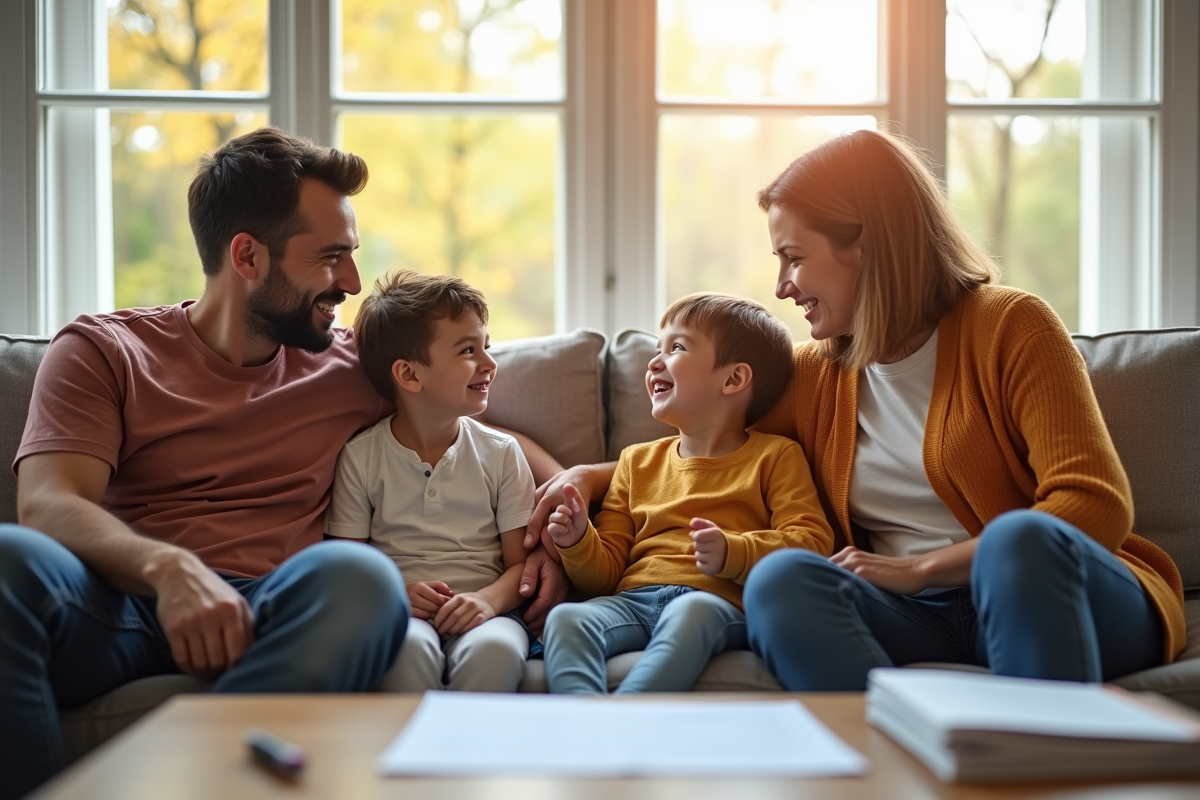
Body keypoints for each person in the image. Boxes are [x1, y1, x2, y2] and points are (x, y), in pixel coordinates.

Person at [0, 127, 562, 799]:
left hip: (281, 608)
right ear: (247, 257)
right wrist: (169, 568)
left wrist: (561, 508)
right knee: (7, 559)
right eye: (331, 258)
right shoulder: (103, 350)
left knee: (359, 576)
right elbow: (50, 502)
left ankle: (208, 781)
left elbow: (481, 435)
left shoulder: (352, 362)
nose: (352, 282)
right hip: (121, 603)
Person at [528, 129, 1186, 692]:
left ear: (866, 245)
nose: (783, 287)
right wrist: (590, 474)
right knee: (783, 579)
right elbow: (710, 445)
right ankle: (887, 762)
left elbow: (1093, 505)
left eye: (794, 258)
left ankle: (1030, 760)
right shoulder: (817, 375)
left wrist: (919, 569)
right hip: (917, 615)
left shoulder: (1011, 326)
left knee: (1020, 539)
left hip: (1060, 598)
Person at [541, 293, 834, 693]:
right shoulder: (634, 462)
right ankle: (585, 724)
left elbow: (812, 543)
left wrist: (734, 552)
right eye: (657, 348)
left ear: (733, 379)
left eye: (676, 347)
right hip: (632, 600)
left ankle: (626, 716)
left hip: (717, 603)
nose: (654, 361)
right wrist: (577, 541)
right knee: (566, 619)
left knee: (693, 611)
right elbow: (604, 574)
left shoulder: (776, 455)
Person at [327, 270, 538, 692]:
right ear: (408, 375)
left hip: (487, 614)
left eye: (487, 347)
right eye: (467, 350)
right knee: (402, 650)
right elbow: (348, 569)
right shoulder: (361, 457)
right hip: (400, 613)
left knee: (495, 651)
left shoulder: (501, 454)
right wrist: (398, 596)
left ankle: (473, 757)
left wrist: (487, 601)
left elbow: (521, 566)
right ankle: (416, 757)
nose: (490, 364)